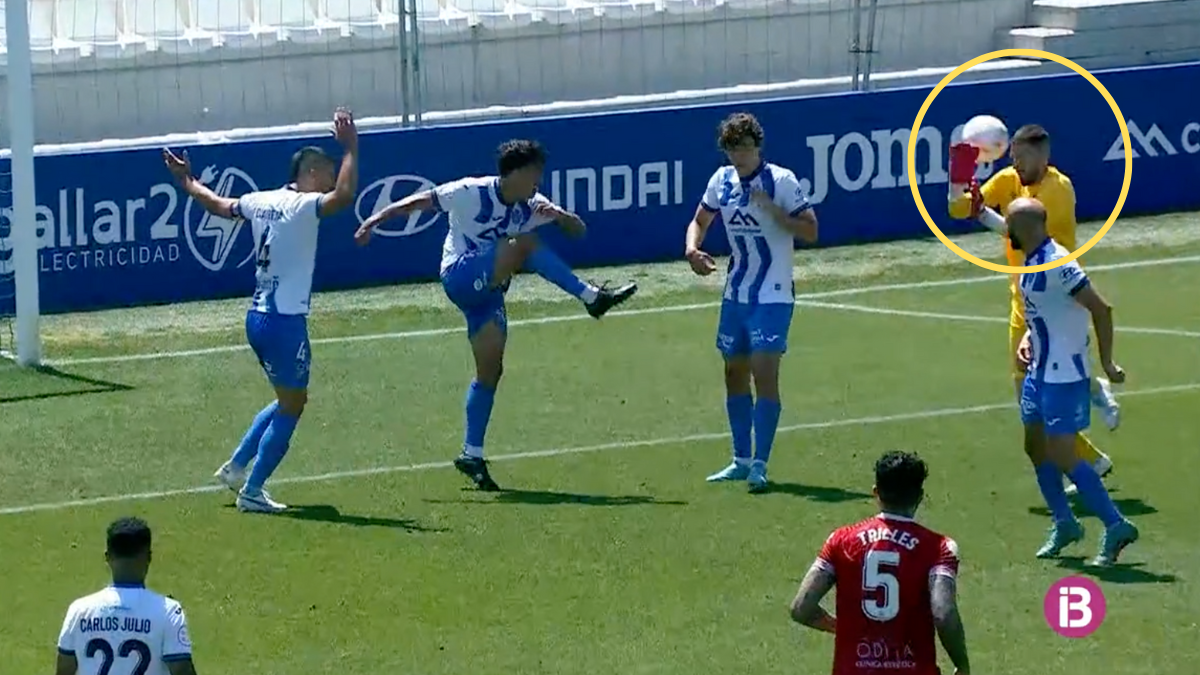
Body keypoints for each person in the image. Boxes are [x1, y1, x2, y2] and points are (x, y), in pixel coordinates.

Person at [353, 139, 637, 491]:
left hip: (487, 296)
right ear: (515, 173)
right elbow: (419, 201)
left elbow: (579, 230)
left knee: (490, 373)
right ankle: (592, 297)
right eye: (535, 174)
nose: (538, 183)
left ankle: (471, 454)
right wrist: (373, 221)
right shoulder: (471, 191)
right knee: (525, 244)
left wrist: (560, 216)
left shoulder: (530, 204)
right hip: (459, 275)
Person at [165, 108, 360, 513]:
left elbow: (218, 205)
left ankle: (236, 467)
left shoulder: (260, 200)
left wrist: (186, 181)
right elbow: (344, 197)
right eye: (325, 172)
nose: (328, 180)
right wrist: (351, 149)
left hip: (257, 315)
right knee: (293, 405)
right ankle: (252, 491)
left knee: (287, 398)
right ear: (310, 173)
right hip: (285, 321)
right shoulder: (303, 205)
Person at [948, 123, 1120, 497]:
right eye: (1012, 157)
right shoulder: (1009, 179)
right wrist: (958, 181)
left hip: (1057, 295)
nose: (1015, 165)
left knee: (1042, 391)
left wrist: (985, 215)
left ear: (1042, 155)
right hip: (1023, 296)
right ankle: (1091, 457)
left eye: (1022, 157)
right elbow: (959, 210)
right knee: (1027, 391)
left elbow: (1032, 241)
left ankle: (1092, 396)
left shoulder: (1059, 190)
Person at [685, 112, 818, 492]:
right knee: (733, 374)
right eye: (732, 147)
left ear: (757, 145)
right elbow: (700, 219)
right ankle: (740, 459)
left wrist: (774, 212)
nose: (738, 154)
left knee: (765, 373)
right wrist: (692, 248)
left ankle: (761, 462)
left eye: (744, 146)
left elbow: (811, 229)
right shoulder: (721, 180)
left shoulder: (781, 181)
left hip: (773, 294)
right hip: (736, 293)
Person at [1005, 197, 1139, 566]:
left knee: (1063, 453)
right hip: (1039, 372)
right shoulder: (1032, 258)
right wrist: (1030, 340)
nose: (1007, 232)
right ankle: (1065, 523)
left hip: (1064, 375)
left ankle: (1116, 526)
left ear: (1028, 228)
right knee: (1035, 446)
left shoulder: (1057, 262)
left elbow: (1100, 307)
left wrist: (1108, 363)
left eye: (1010, 225)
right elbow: (1047, 310)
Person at [790, 451, 970, 675]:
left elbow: (801, 609)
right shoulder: (939, 547)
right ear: (920, 496)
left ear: (876, 492)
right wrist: (961, 665)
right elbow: (943, 613)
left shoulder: (841, 541)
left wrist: (841, 628)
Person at [56, 517, 198, 675]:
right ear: (149, 557)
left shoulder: (79, 610)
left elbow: (64, 670)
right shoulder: (168, 612)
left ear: (107, 557)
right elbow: (182, 671)